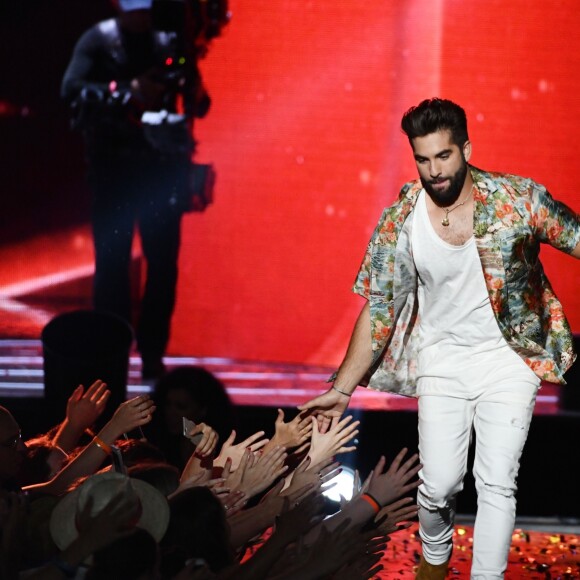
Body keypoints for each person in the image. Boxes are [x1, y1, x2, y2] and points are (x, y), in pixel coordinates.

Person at [298, 98, 580, 579]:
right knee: (439, 486)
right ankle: (435, 559)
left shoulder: (518, 200)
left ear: (466, 148)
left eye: (444, 156)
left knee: (497, 482)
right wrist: (342, 389)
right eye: (423, 160)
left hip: (510, 358)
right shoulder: (401, 221)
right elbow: (379, 308)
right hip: (442, 359)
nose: (434, 171)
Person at [61, 0, 212, 380]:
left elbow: (202, 102)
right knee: (112, 266)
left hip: (160, 175)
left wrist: (190, 84)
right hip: (114, 174)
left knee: (162, 267)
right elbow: (71, 89)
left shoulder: (169, 44)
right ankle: (111, 353)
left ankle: (151, 354)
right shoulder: (99, 41)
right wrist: (126, 90)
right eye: (135, 10)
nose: (142, 17)